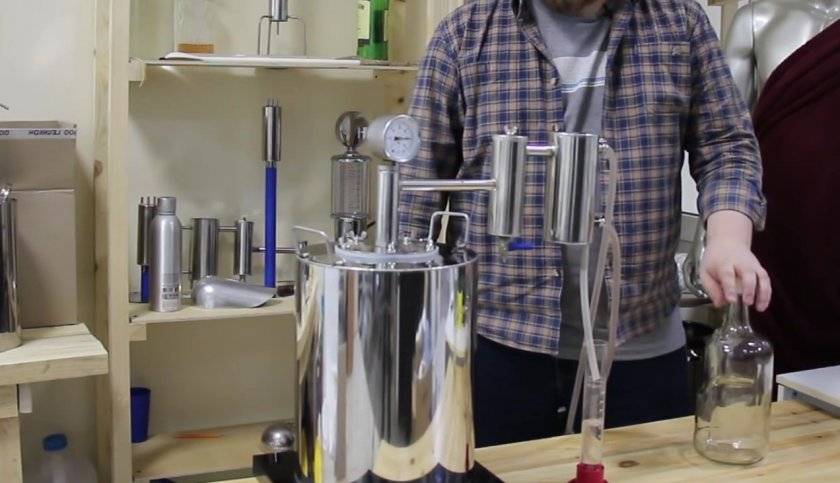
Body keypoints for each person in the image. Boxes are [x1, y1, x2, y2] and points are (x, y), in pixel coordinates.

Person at [399, 0, 771, 447]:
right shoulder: (465, 33)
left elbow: (726, 145)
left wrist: (729, 239)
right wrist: (406, 332)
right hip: (499, 342)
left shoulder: (679, 24)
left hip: (640, 342)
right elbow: (417, 181)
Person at [726, 1, 840, 375]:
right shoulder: (757, 18)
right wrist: (713, 236)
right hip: (774, 228)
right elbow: (724, 140)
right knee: (764, 360)